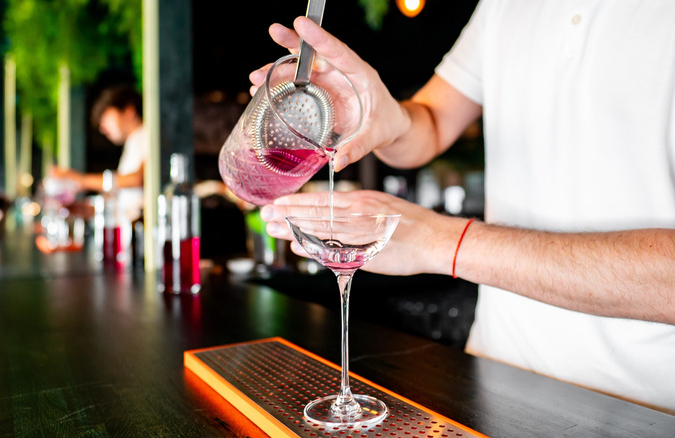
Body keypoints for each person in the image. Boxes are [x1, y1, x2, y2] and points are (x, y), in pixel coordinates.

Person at [257, 2, 675, 414]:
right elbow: (432, 124)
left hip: (651, 408)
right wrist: (383, 115)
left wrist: (439, 242)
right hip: (493, 381)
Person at [52, 84, 146, 221]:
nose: (102, 128)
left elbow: (137, 179)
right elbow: (125, 198)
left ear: (129, 111)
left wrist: (82, 180)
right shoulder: (132, 143)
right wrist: (87, 209)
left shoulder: (147, 135)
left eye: (106, 116)